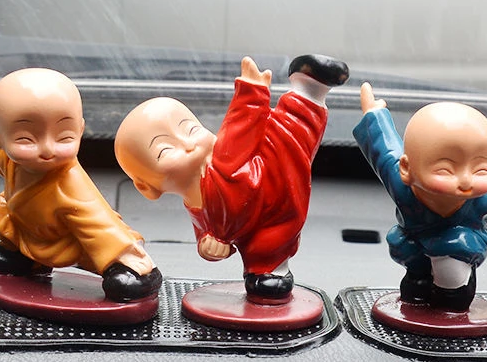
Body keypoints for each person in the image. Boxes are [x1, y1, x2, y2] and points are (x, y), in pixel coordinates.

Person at [114, 54, 349, 303]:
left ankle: (309, 87)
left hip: (271, 172)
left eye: (191, 129)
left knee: (291, 131)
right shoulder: (194, 205)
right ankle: (270, 273)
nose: (189, 144)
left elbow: (240, 125)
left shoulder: (225, 158)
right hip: (270, 224)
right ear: (147, 188)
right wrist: (208, 245)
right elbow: (208, 231)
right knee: (266, 249)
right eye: (165, 150)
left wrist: (251, 90)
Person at [0, 65, 162, 302]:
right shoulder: (12, 160)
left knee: (117, 273)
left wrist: (130, 260)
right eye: (26, 139)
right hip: (31, 232)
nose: (47, 149)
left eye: (64, 137)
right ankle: (25, 258)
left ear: (80, 130)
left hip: (73, 241)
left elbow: (99, 223)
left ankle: (137, 272)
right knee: (2, 210)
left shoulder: (70, 183)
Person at [354, 82, 487, 311]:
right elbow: (385, 150)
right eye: (445, 169)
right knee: (415, 285)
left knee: (452, 276)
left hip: (460, 246)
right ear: (406, 169)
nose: (466, 181)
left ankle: (453, 298)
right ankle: (417, 287)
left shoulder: (483, 198)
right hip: (413, 243)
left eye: (480, 170)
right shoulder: (401, 184)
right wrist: (374, 115)